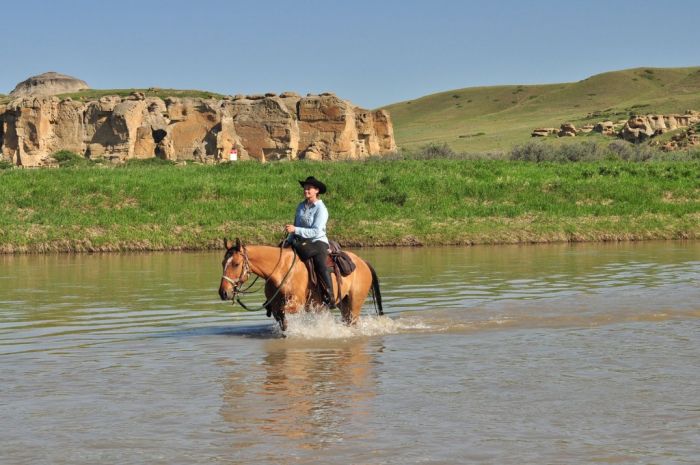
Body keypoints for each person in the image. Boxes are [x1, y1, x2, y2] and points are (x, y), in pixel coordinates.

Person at [284, 176, 335, 308]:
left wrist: (296, 229)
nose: (306, 191)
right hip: (300, 241)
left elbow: (316, 231)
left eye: (309, 188)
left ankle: (329, 294)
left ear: (316, 190)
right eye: (305, 188)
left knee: (320, 263)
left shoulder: (321, 209)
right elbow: (295, 226)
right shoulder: (301, 206)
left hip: (317, 241)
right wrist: (288, 240)